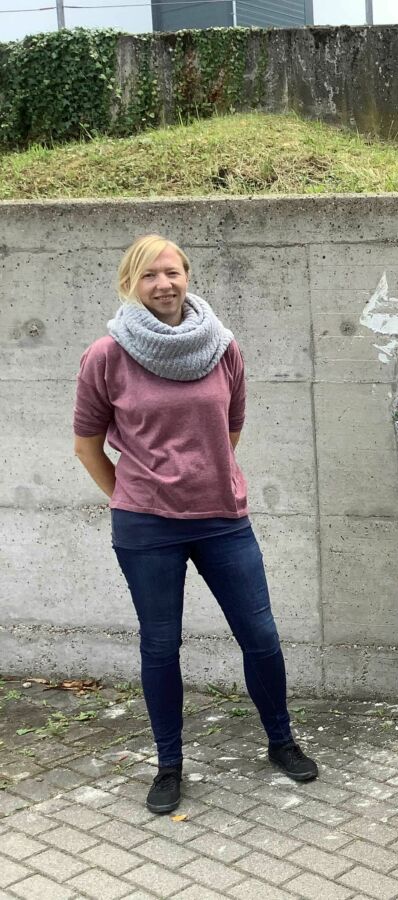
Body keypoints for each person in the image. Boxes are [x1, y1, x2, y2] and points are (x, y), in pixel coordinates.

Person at [73, 235, 318, 815]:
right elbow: (87, 447)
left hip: (222, 520)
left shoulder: (222, 347)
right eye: (149, 276)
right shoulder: (106, 355)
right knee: (160, 645)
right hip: (146, 529)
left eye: (172, 272)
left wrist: (202, 478)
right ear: (130, 284)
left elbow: (229, 429)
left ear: (188, 276)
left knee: (260, 637)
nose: (163, 284)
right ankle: (168, 763)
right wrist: (134, 495)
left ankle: (281, 741)